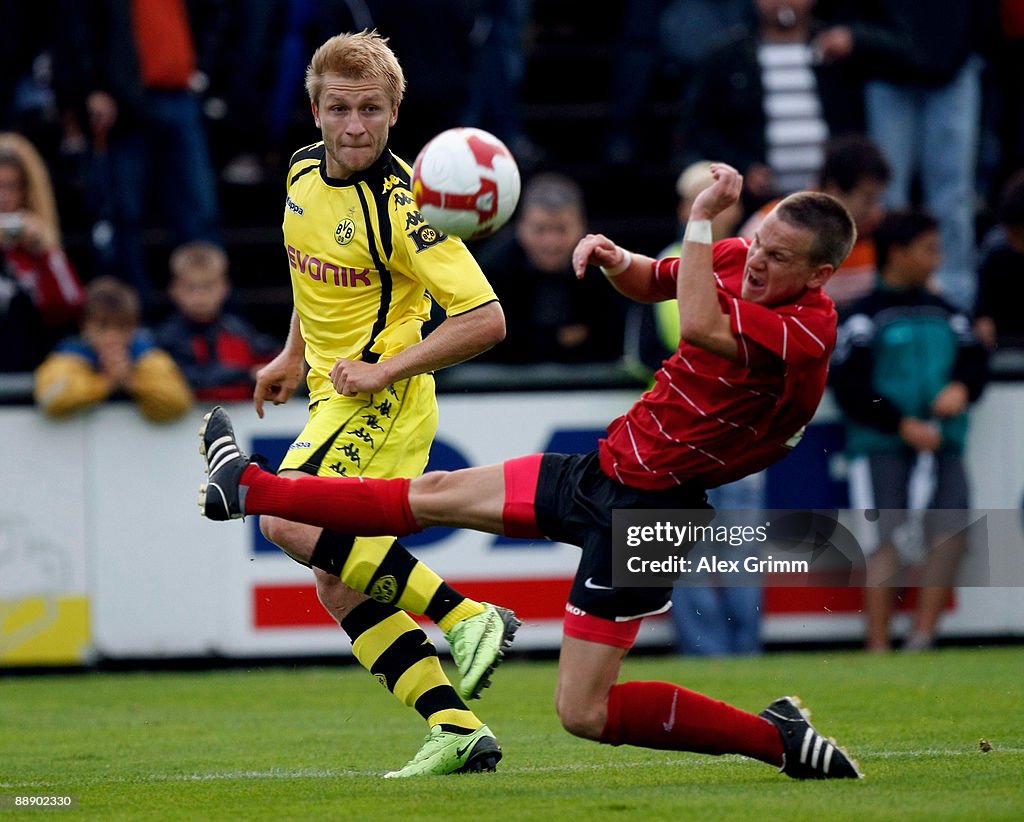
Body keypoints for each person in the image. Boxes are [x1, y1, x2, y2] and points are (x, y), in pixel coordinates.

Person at [198, 163, 865, 780]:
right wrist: (610, 258)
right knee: (429, 495)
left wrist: (699, 219)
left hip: (658, 511)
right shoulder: (733, 257)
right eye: (757, 243)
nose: (755, 263)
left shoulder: (808, 331)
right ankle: (251, 486)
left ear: (818, 275)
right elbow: (648, 280)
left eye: (777, 258)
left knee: (583, 712)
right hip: (602, 470)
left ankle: (776, 739)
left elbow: (694, 319)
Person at [243, 30, 514, 778]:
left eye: (371, 109)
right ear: (315, 110)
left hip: (384, 395)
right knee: (337, 583)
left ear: (396, 113)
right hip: (333, 392)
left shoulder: (407, 208)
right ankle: (457, 729)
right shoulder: (301, 171)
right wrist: (293, 353)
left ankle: (466, 614)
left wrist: (383, 367)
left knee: (286, 518)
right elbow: (315, 270)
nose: (354, 125)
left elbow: (486, 318)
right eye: (339, 108)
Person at [829, 209, 989, 652]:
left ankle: (923, 637)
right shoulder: (863, 316)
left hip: (944, 442)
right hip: (881, 443)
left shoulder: (950, 313)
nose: (936, 260)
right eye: (929, 250)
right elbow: (851, 385)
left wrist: (962, 388)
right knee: (886, 541)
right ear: (897, 253)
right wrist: (899, 422)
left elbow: (976, 361)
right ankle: (878, 644)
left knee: (950, 535)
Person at [814, 1, 1000, 312]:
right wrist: (858, 35)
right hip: (887, 66)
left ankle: (954, 301)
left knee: (952, 194)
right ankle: (888, 289)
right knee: (886, 192)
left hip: (952, 65)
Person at [52, 0, 224, 307]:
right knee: (124, 216)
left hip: (180, 93)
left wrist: (204, 67)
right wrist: (93, 86)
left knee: (199, 214)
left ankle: (209, 313)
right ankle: (133, 316)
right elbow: (78, 25)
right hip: (125, 100)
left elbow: (213, 16)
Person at [678, 0, 864, 211]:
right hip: (757, 203)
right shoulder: (728, 55)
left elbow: (904, 57)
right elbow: (699, 128)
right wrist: (744, 168)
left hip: (832, 202)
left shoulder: (840, 50)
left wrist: (858, 40)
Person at [474, 172, 627, 365]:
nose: (551, 242)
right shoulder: (492, 267)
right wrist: (559, 339)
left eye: (561, 229)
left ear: (581, 227)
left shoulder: (604, 267)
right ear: (521, 227)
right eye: (541, 229)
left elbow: (614, 336)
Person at [740, 133, 891, 311]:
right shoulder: (770, 222)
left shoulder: (879, 229)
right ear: (833, 189)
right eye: (868, 198)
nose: (875, 209)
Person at [34, 276, 192, 421]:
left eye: (122, 327)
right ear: (85, 326)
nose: (113, 336)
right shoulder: (68, 357)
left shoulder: (148, 357)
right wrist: (106, 382)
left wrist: (131, 382)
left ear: (134, 327)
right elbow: (50, 398)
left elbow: (178, 401)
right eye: (103, 327)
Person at [0, 132, 85, 373]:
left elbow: (71, 305)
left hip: (28, 368)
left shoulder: (36, 247)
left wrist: (45, 252)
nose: (3, 197)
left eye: (11, 186)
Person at [155, 241, 281, 401]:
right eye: (190, 287)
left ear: (224, 287)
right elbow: (188, 378)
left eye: (208, 286)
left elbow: (271, 353)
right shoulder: (166, 337)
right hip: (188, 421)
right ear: (174, 289)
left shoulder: (238, 330)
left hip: (243, 419)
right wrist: (248, 374)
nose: (200, 296)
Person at [974, 169, 1024, 352]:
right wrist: (982, 318)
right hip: (1004, 343)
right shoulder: (997, 253)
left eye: (1020, 236)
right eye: (1011, 235)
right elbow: (982, 308)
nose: (1016, 243)